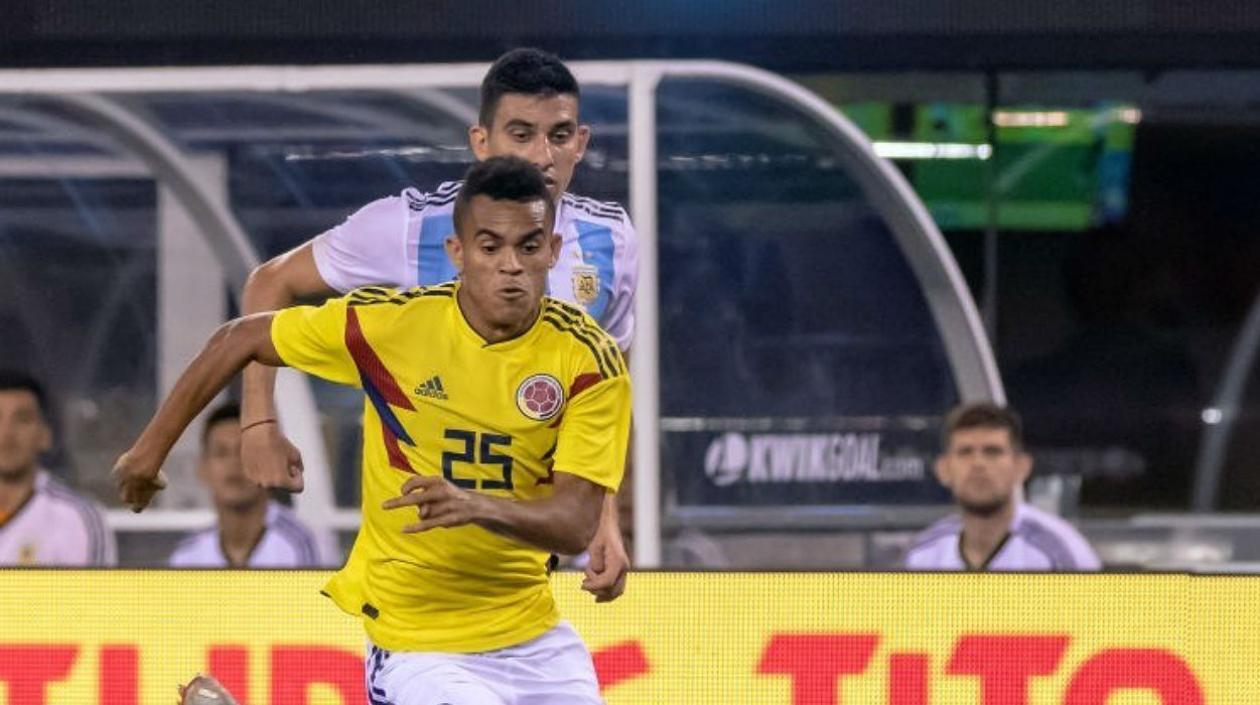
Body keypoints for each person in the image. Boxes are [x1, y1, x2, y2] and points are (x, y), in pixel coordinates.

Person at [114, 157, 630, 705]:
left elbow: (574, 524)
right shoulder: (391, 327)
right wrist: (147, 455)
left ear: (551, 250)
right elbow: (238, 338)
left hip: (532, 637)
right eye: (489, 247)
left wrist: (474, 505)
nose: (510, 266)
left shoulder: (587, 360)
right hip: (415, 640)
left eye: (528, 247)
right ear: (457, 254)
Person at [240, 47, 635, 601]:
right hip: (424, 542)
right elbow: (269, 282)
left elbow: (604, 393)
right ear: (481, 142)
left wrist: (604, 519)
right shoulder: (407, 226)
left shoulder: (612, 242)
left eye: (560, 135)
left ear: (582, 143)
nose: (542, 156)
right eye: (520, 134)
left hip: (532, 546)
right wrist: (258, 422)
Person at [904, 401, 1101, 571]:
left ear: (1021, 467)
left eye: (992, 452)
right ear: (943, 469)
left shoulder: (1059, 553)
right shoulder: (924, 555)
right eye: (965, 452)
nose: (978, 464)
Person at [169, 402, 323, 567]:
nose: (234, 463)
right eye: (221, 452)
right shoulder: (188, 555)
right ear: (202, 468)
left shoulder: (301, 545)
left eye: (244, 451)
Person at [0, 370, 115, 566]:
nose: (6, 434)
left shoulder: (76, 518)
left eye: (22, 419)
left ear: (46, 435)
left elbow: (96, 596)